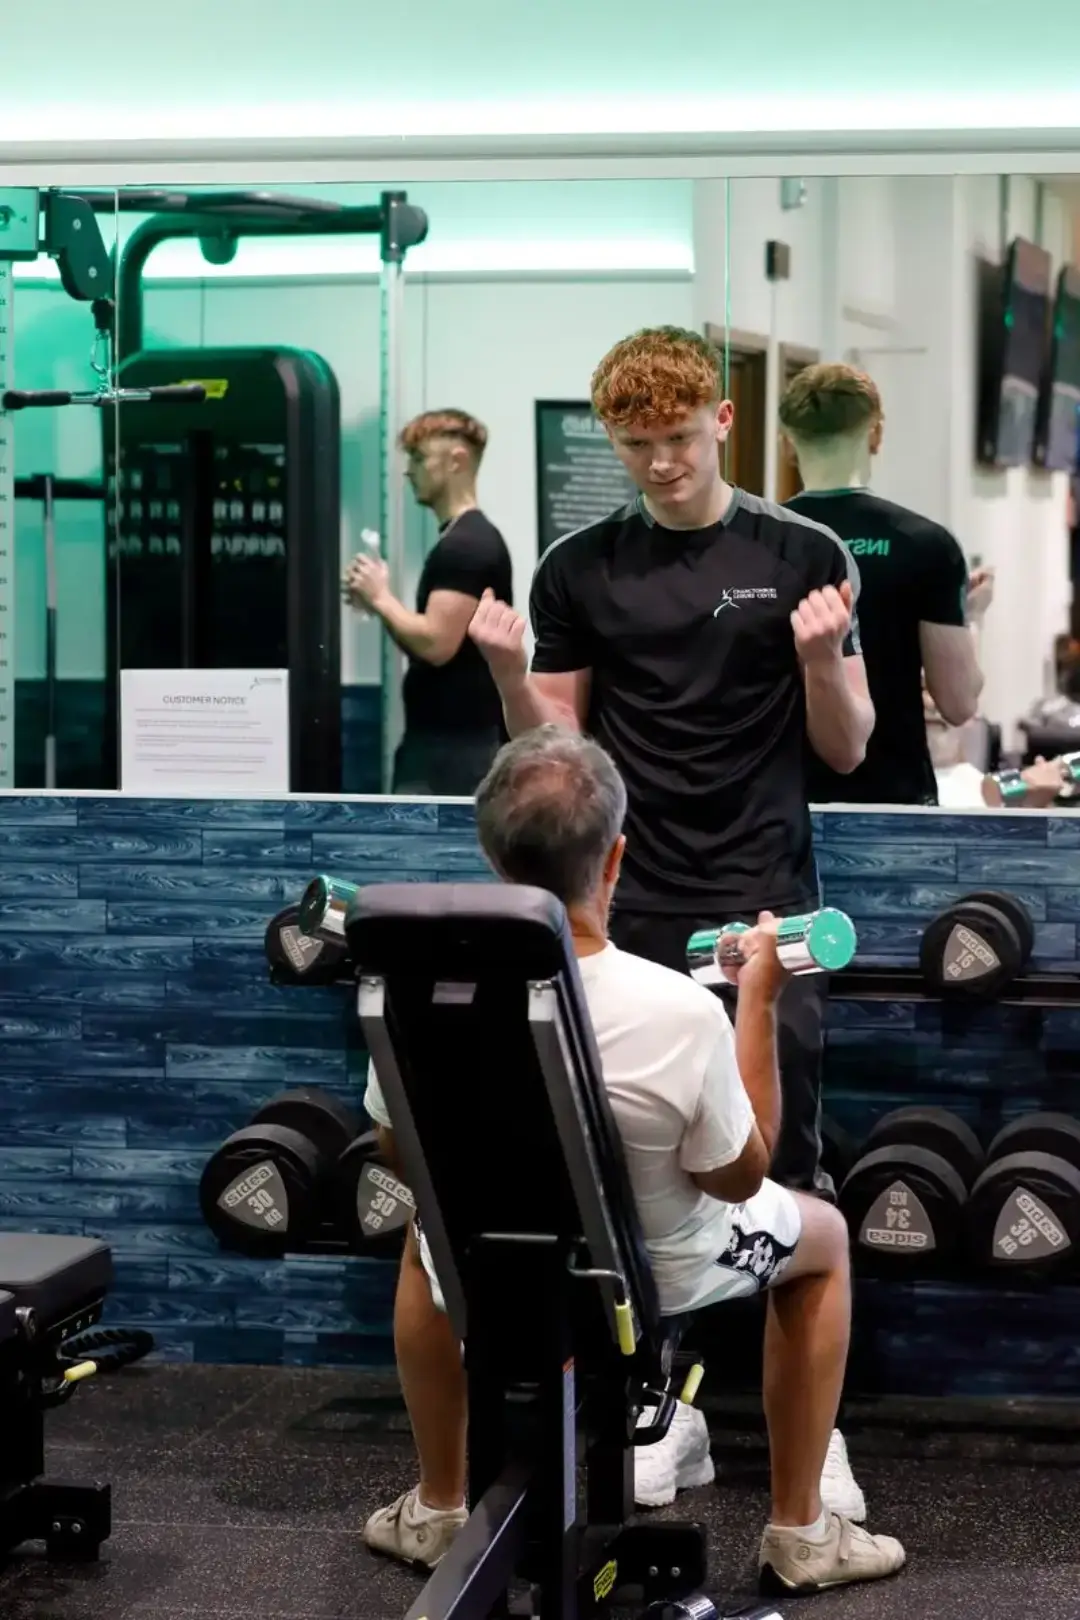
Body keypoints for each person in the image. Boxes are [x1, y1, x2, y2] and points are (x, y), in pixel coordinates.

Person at [359, 728, 906, 1597]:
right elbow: (742, 1175)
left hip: (491, 1271)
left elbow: (397, 1149)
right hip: (652, 1276)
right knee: (826, 1239)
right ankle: (803, 1533)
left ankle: (437, 1508)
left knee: (430, 1227)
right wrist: (756, 1004)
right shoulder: (679, 1010)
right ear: (615, 858)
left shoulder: (419, 991)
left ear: (490, 850)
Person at [779, 361, 991, 805]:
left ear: (788, 445)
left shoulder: (757, 541)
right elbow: (957, 703)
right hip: (892, 802)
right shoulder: (925, 546)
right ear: (876, 435)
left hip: (780, 809)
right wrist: (972, 616)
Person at [342, 408, 513, 795]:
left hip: (455, 750)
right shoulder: (460, 540)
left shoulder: (467, 545)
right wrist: (378, 601)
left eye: (419, 459)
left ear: (457, 461)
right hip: (446, 744)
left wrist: (380, 597)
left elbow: (436, 645)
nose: (408, 471)